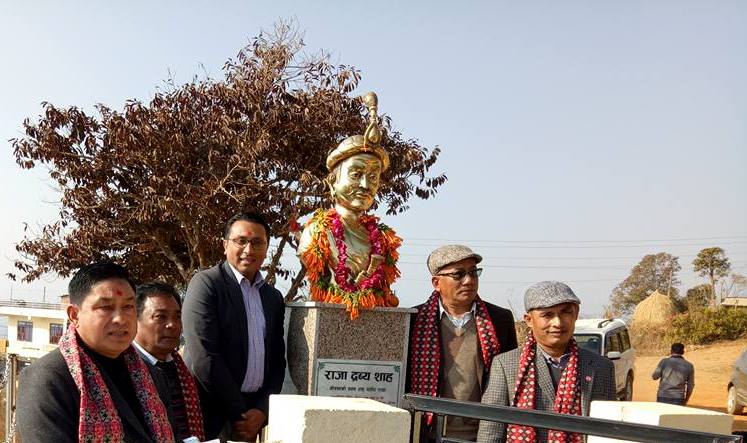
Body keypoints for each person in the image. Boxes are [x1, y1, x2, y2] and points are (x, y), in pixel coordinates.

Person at [16, 262, 173, 443]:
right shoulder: (47, 378)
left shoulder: (152, 377)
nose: (120, 319)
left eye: (128, 307)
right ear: (74, 315)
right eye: (106, 307)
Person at [183, 212, 286, 442]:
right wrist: (240, 413)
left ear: (267, 248)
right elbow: (204, 357)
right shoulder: (207, 284)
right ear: (225, 245)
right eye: (241, 241)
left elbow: (278, 361)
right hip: (210, 414)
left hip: (253, 418)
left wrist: (261, 411)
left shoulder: (273, 297)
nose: (249, 250)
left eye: (257, 242)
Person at [298, 91, 402, 319]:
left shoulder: (383, 238)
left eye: (373, 177)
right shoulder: (317, 231)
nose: (366, 185)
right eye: (356, 174)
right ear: (333, 180)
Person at [477, 281, 616, 443]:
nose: (557, 323)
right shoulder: (506, 364)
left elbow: (606, 432)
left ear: (576, 314)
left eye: (565, 312)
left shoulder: (600, 367)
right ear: (529, 320)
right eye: (547, 315)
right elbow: (491, 430)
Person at [408, 244, 518, 442]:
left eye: (474, 273)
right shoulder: (414, 321)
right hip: (426, 432)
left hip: (482, 434)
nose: (469, 281)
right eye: (458, 275)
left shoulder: (499, 320)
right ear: (436, 283)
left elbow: (511, 381)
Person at [133, 281, 205, 442]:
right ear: (134, 320)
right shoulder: (124, 371)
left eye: (177, 317)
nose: (172, 325)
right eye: (160, 317)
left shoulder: (182, 370)